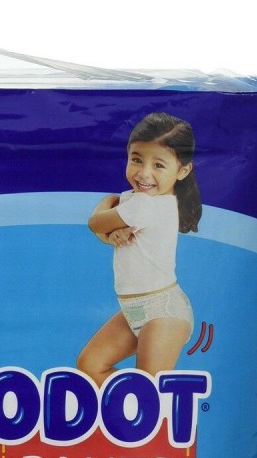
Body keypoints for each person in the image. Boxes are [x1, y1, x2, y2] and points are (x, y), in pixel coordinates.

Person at [77, 113, 201, 386]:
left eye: (158, 165)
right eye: (136, 160)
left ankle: (151, 409)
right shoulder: (137, 200)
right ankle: (129, 409)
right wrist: (111, 235)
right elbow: (105, 235)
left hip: (163, 310)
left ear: (182, 171)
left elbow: (95, 223)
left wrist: (108, 201)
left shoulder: (142, 204)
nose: (144, 173)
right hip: (134, 308)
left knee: (149, 390)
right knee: (91, 365)